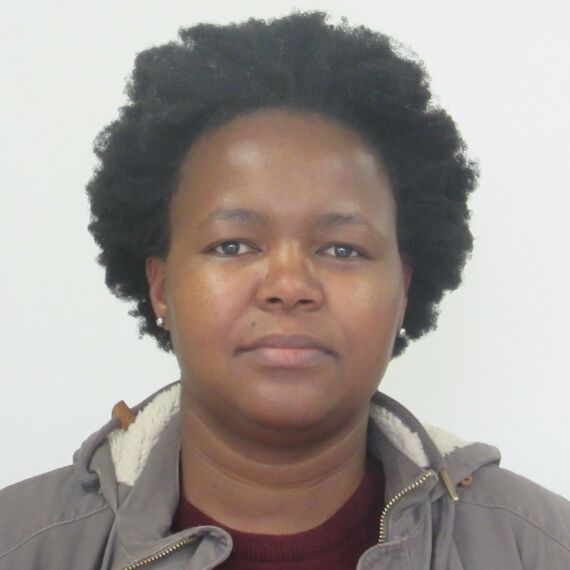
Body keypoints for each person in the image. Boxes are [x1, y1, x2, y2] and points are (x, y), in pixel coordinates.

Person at [0, 11, 568, 570]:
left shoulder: (541, 547)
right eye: (233, 245)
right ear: (161, 286)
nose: (290, 287)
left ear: (403, 289)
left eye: (342, 250)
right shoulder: (21, 545)